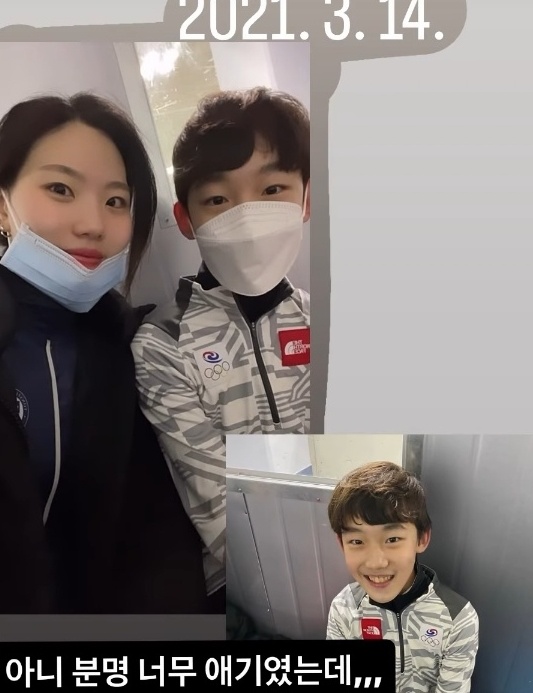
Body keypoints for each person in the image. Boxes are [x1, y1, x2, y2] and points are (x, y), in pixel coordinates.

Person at [0, 91, 214, 614]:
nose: (93, 222)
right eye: (60, 189)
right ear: (2, 204)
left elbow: (151, 538)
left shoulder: (126, 347)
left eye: (116, 201)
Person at [131, 87, 311, 598]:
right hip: (243, 586)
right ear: (185, 219)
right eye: (218, 199)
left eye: (272, 188)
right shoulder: (162, 346)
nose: (248, 217)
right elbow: (218, 512)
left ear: (306, 200)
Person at [326, 461, 479, 693]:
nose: (376, 562)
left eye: (392, 539)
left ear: (422, 539)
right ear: (341, 544)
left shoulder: (458, 618)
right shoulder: (344, 608)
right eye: (357, 541)